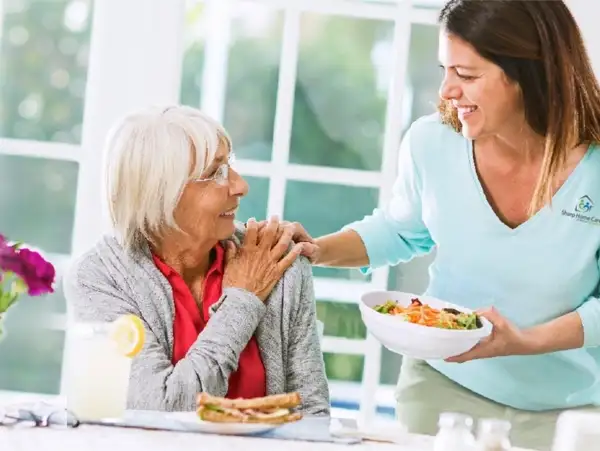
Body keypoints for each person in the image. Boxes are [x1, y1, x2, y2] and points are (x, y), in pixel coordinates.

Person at [270, 1, 600, 448]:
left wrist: (522, 340)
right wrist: (319, 249)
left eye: (466, 75)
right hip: (441, 393)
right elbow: (401, 229)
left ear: (529, 73)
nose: (447, 90)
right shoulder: (432, 143)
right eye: (445, 69)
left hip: (568, 411)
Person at [63, 105, 330, 415]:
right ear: (162, 193)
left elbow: (312, 414)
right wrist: (243, 300)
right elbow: (161, 408)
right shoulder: (99, 277)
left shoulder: (275, 261)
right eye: (215, 173)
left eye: (229, 165)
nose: (241, 186)